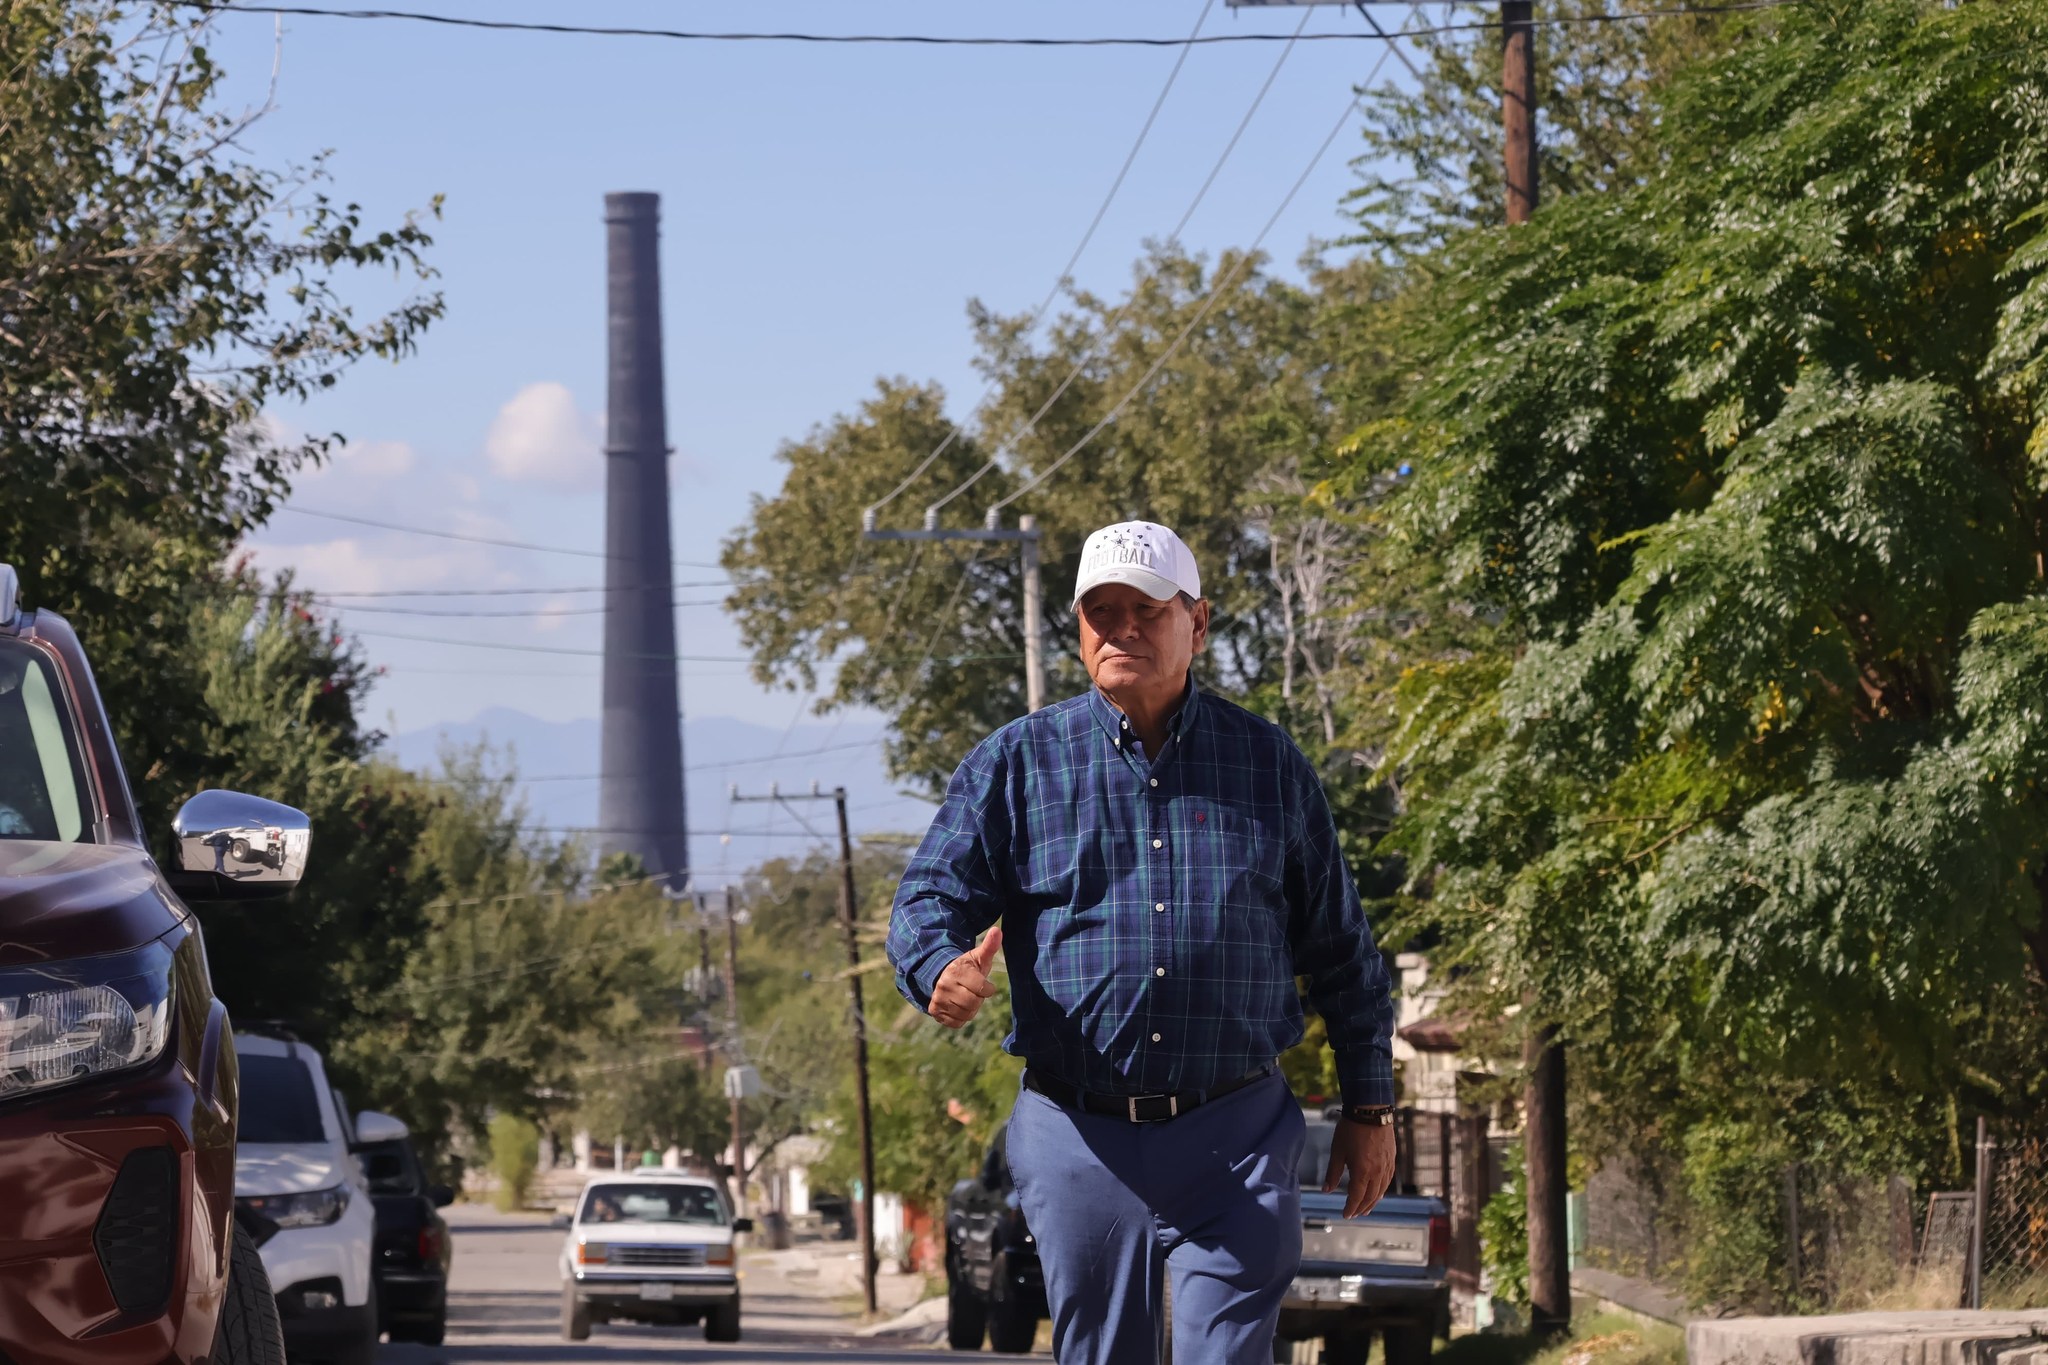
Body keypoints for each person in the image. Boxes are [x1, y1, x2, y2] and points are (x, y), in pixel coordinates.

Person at [887, 519, 1398, 1365]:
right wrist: (935, 964)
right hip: (1077, 1134)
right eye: (1102, 611)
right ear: (1079, 629)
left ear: (1198, 622)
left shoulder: (1267, 765)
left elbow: (1343, 948)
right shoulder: (1016, 765)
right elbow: (927, 896)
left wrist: (1370, 1106)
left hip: (1237, 1135)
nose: (1122, 628)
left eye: (1147, 609)